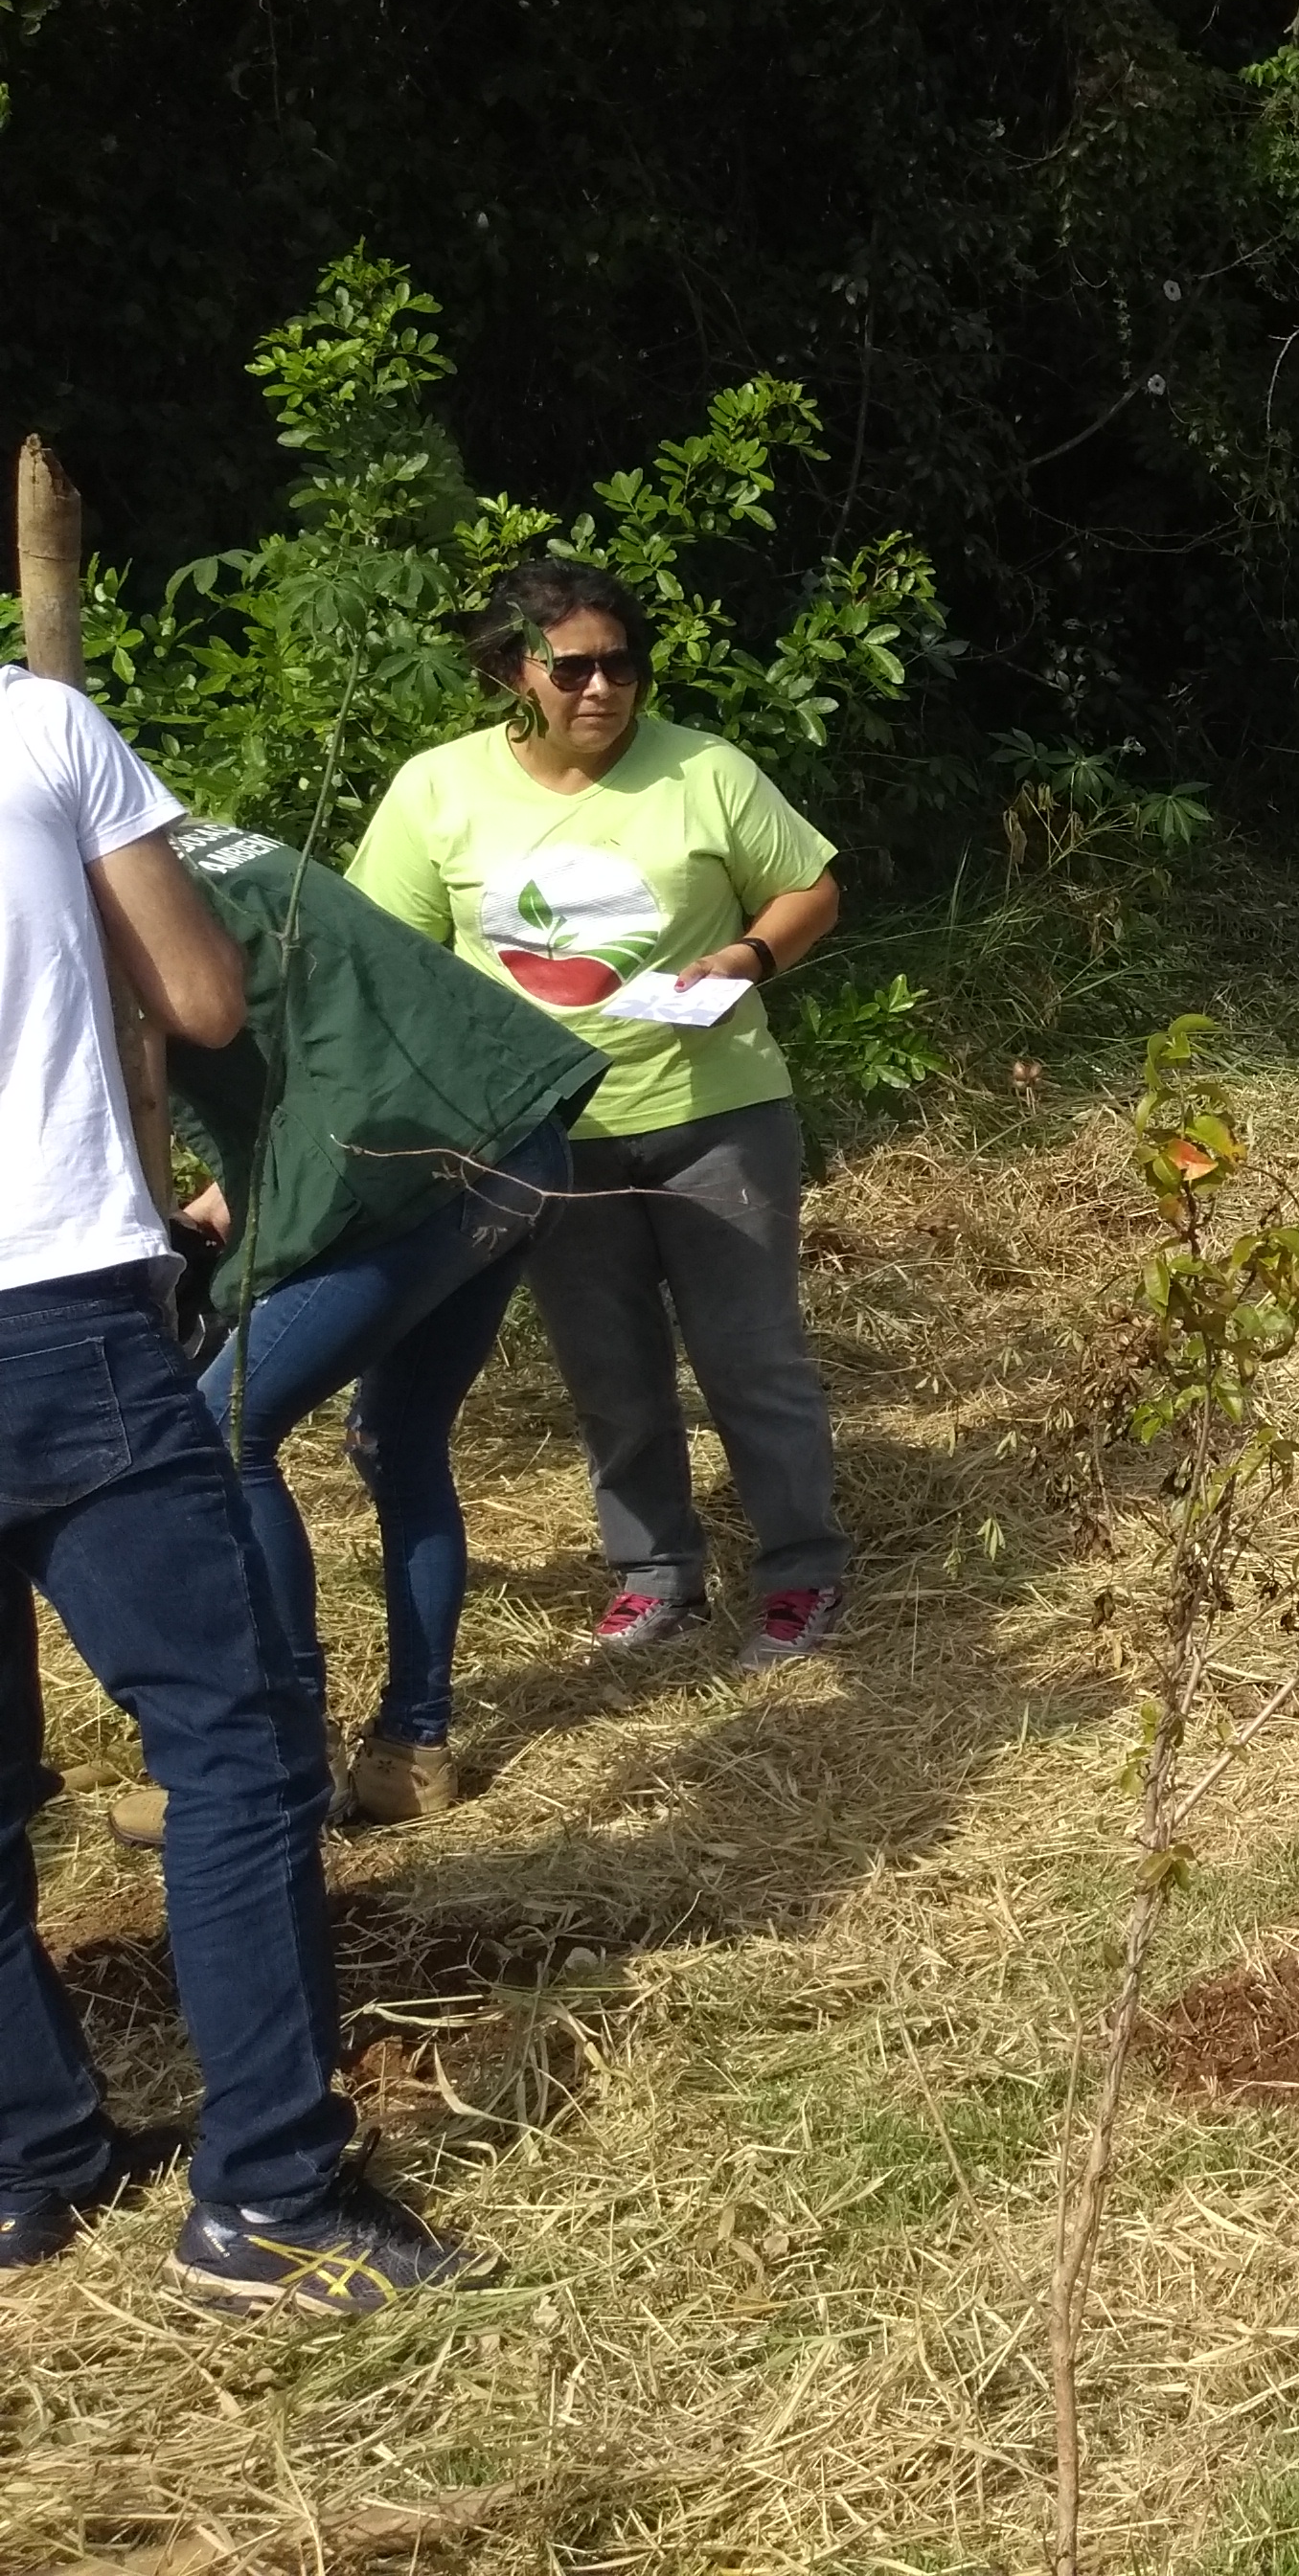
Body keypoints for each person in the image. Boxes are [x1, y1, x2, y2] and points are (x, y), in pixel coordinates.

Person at [0, 661, 476, 2308]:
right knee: (235, 1741)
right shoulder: (40, 730)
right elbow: (202, 996)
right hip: (49, 1313)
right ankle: (271, 2191)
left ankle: (29, 2157)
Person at [353, 559, 854, 1669]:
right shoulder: (439, 790)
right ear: (511, 671)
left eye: (619, 663)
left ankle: (801, 1573)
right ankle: (655, 1575)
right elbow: (383, 954)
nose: (600, 688)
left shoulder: (706, 772)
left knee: (749, 1353)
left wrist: (747, 954)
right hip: (546, 1134)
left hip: (715, 1110)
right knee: (608, 1367)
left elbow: (811, 884)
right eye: (571, 667)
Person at [119, 818, 608, 1839]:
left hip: (420, 1177)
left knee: (221, 1433)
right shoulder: (198, 843)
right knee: (396, 1441)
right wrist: (229, 1201)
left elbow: (152, 1070)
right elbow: (328, 1033)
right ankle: (410, 1755)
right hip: (511, 1137)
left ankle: (276, 1761)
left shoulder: (106, 897)